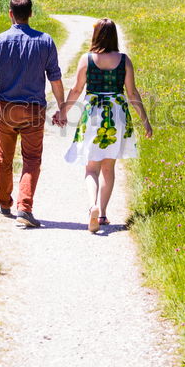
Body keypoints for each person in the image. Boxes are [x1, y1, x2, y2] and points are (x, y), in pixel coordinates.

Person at [0, 0, 66, 227]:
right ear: (31, 14)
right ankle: (24, 208)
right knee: (32, 159)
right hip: (34, 110)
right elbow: (55, 78)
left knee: (3, 158)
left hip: (5, 109)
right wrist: (62, 108)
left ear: (10, 14)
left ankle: (4, 203)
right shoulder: (45, 41)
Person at [60, 18, 152, 233]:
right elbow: (132, 93)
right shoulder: (124, 60)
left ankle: (92, 206)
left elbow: (75, 90)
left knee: (91, 168)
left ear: (96, 35)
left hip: (94, 112)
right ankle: (102, 214)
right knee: (108, 167)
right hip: (117, 113)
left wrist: (63, 111)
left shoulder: (87, 59)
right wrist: (145, 121)